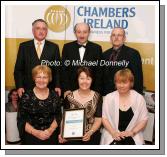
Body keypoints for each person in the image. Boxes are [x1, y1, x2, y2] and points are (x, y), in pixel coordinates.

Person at [14, 19, 61, 97]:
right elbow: (18, 69)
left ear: (47, 31)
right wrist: (19, 86)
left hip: (48, 90)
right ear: (33, 30)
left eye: (44, 29)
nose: (41, 31)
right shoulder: (23, 46)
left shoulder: (54, 47)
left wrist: (57, 85)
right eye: (38, 28)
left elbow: (57, 70)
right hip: (27, 90)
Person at [100, 68, 148, 145]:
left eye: (125, 82)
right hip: (112, 134)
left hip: (132, 135)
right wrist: (113, 133)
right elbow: (104, 118)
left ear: (131, 83)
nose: (121, 85)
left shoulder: (139, 98)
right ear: (115, 83)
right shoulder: (108, 98)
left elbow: (144, 119)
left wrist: (132, 132)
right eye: (118, 82)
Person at [17, 65, 62, 145]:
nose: (42, 80)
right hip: (31, 133)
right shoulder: (26, 96)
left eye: (45, 77)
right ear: (34, 78)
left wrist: (49, 130)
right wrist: (36, 133)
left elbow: (58, 116)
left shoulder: (55, 95)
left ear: (49, 79)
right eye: (38, 77)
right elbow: (21, 120)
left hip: (50, 133)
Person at [59, 67, 102, 145]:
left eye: (88, 78)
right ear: (77, 79)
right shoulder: (69, 97)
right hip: (72, 135)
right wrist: (62, 133)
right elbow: (64, 119)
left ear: (92, 80)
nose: (85, 81)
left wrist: (90, 132)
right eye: (82, 78)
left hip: (92, 135)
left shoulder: (98, 97)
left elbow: (98, 119)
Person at [61, 22, 103, 98]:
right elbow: (64, 70)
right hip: (71, 91)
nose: (82, 35)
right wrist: (66, 89)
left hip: (91, 91)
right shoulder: (67, 47)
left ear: (89, 33)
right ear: (75, 33)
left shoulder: (97, 48)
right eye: (79, 32)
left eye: (85, 32)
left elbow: (99, 72)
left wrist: (96, 92)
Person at [102, 27, 143, 96]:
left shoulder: (133, 53)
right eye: (114, 35)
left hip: (126, 95)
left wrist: (137, 97)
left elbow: (138, 78)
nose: (116, 37)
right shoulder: (105, 54)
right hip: (107, 95)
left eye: (119, 35)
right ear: (110, 38)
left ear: (124, 38)